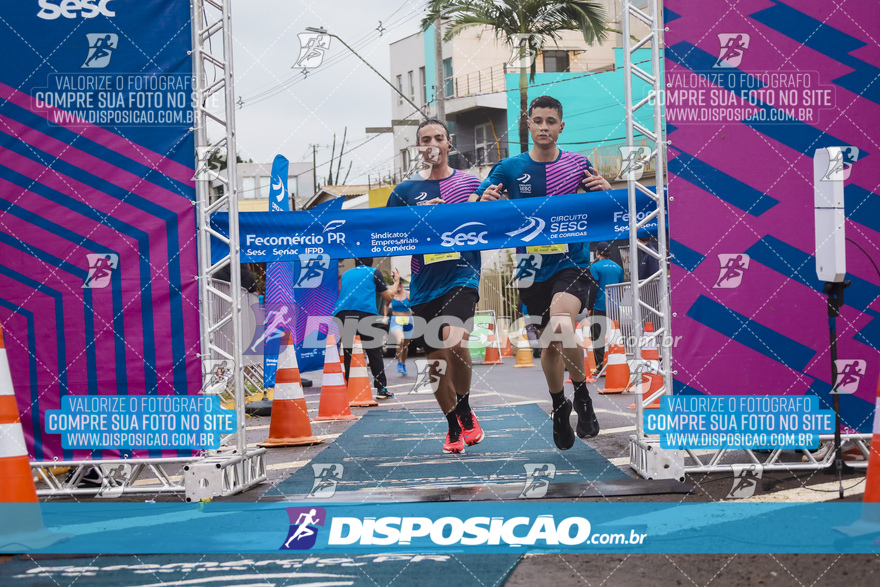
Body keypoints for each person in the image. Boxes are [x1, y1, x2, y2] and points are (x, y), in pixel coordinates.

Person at [470, 95, 610, 449]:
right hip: (530, 266)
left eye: (551, 121)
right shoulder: (509, 167)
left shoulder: (579, 164)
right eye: (538, 121)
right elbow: (475, 202)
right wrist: (483, 198)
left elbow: (605, 207)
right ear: (528, 125)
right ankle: (559, 407)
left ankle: (582, 396)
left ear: (561, 127)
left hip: (572, 261)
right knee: (550, 342)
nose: (544, 127)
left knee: (563, 324)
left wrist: (608, 191)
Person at [385, 118, 484, 454]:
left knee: (455, 341)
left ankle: (466, 407)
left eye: (438, 138)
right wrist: (417, 217)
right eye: (424, 139)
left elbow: (495, 219)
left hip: (462, 274)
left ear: (448, 144)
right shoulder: (405, 191)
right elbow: (386, 233)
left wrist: (486, 203)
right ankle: (452, 424)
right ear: (418, 148)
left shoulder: (471, 184)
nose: (432, 143)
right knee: (437, 361)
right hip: (424, 285)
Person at [331, 258, 399, 399]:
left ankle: (348, 388)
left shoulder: (346, 274)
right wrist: (396, 282)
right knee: (374, 351)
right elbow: (388, 297)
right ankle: (381, 388)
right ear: (371, 262)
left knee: (347, 352)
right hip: (365, 313)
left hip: (343, 313)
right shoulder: (374, 272)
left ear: (355, 263)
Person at [590, 241, 624, 373]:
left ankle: (601, 366)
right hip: (614, 307)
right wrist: (617, 302)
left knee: (598, 337)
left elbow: (593, 288)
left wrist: (589, 306)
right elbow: (622, 287)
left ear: (597, 252)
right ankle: (617, 363)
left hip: (599, 306)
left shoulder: (595, 267)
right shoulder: (618, 267)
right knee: (614, 336)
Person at [386, 284, 413, 375]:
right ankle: (399, 362)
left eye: (400, 284)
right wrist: (385, 316)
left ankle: (403, 364)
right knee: (400, 341)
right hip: (396, 320)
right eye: (398, 284)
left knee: (405, 346)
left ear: (402, 284)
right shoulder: (392, 294)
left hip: (408, 320)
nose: (399, 286)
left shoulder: (408, 294)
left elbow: (415, 304)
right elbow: (386, 305)